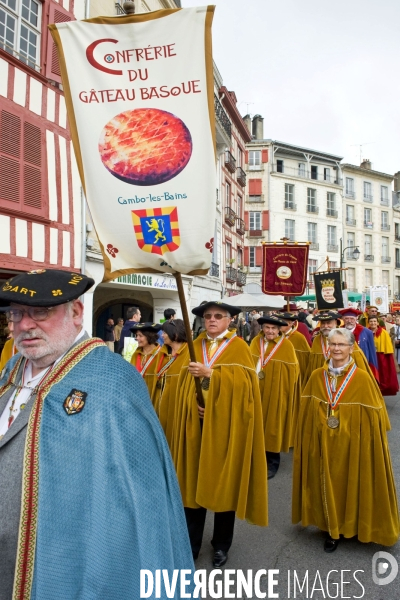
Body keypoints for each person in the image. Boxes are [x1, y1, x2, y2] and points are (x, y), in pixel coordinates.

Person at [0, 269, 193, 600]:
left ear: (76, 312)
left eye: (41, 312)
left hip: (65, 560)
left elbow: (139, 500)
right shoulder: (12, 368)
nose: (25, 325)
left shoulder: (113, 379)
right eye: (15, 314)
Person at [172, 301, 268, 567]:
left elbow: (246, 388)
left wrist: (211, 374)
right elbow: (180, 384)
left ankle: (221, 544)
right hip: (196, 426)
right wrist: (194, 405)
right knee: (192, 484)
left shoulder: (239, 348)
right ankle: (190, 544)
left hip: (227, 427)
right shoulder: (194, 346)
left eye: (218, 316)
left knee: (224, 483)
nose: (212, 320)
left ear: (230, 321)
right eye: (208, 316)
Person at [293, 328, 399, 553]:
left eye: (342, 345)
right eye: (333, 344)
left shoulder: (362, 378)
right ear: (327, 347)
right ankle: (331, 528)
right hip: (322, 443)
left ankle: (354, 525)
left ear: (352, 348)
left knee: (351, 482)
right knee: (325, 480)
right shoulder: (316, 377)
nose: (337, 349)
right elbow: (306, 413)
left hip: (353, 444)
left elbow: (374, 420)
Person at [250, 315, 301, 479]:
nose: (270, 331)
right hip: (255, 390)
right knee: (255, 423)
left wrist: (279, 385)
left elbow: (293, 371)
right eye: (267, 327)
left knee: (272, 424)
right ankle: (255, 458)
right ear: (262, 328)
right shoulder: (254, 343)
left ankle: (272, 461)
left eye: (273, 328)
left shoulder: (286, 345)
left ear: (279, 330)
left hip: (276, 391)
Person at [156, 319, 189, 448]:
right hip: (163, 407)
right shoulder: (163, 354)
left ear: (175, 334)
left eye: (165, 332)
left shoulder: (188, 353)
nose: (162, 335)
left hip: (178, 409)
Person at [338, 307, 379, 381]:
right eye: (347, 318)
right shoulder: (338, 332)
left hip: (361, 366)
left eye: (352, 319)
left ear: (356, 319)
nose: (349, 321)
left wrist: (373, 370)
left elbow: (372, 353)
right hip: (342, 367)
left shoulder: (367, 332)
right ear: (343, 319)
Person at [130, 322, 165, 406]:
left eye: (140, 336)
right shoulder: (135, 354)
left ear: (149, 336)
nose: (137, 338)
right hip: (137, 399)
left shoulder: (162, 354)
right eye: (136, 335)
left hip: (155, 400)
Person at [368, 316, 399, 396]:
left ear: (378, 323)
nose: (373, 323)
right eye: (371, 321)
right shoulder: (366, 332)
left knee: (382, 376)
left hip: (380, 356)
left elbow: (388, 346)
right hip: (369, 357)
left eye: (375, 321)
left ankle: (380, 393)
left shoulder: (383, 332)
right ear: (368, 323)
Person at [278, 312, 310, 386]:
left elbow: (305, 359)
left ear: (290, 323)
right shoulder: (277, 335)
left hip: (293, 373)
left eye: (283, 322)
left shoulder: (299, 337)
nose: (279, 324)